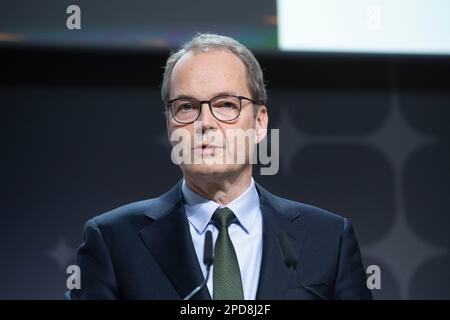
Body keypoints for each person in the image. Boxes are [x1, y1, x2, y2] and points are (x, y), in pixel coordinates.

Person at [67, 33, 372, 300]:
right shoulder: (113, 241)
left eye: (226, 104)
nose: (206, 123)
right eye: (186, 107)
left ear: (260, 122)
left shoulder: (329, 238)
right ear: (170, 126)